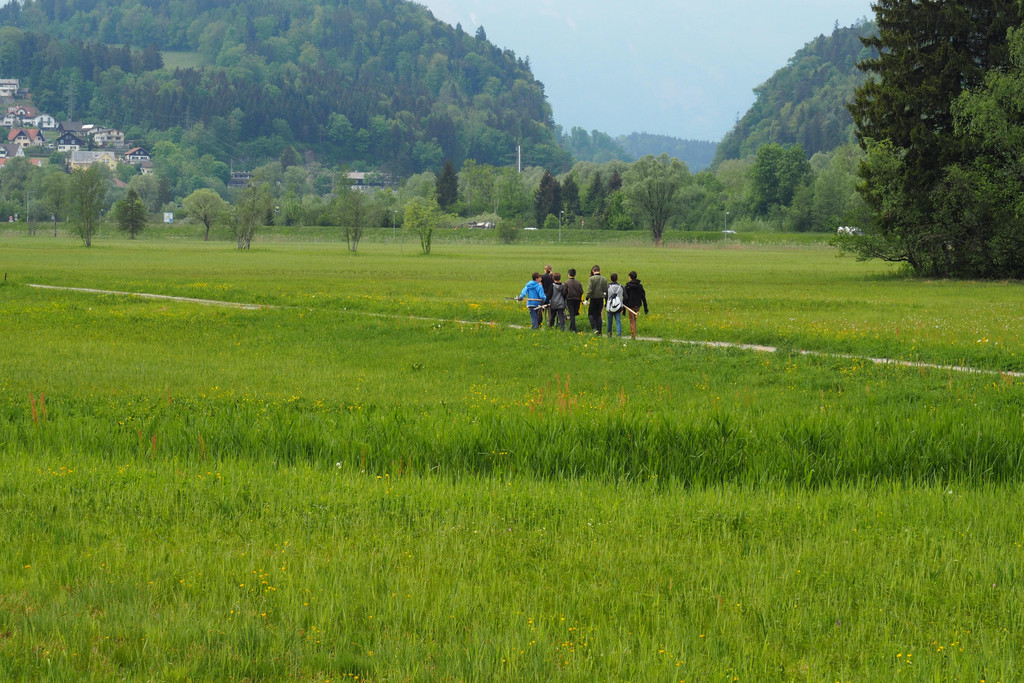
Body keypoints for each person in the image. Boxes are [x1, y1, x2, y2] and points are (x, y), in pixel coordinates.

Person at [623, 270, 649, 339]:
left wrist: (624, 309)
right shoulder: (640, 286)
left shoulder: (627, 286)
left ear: (630, 277)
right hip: (638, 305)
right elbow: (643, 297)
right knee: (635, 319)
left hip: (630, 306)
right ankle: (634, 334)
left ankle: (633, 336)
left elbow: (625, 298)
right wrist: (645, 307)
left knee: (632, 321)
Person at [585, 265, 608, 334]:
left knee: (590, 314)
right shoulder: (604, 279)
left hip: (593, 299)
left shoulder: (591, 279)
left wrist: (586, 299)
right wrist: (606, 300)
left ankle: (594, 328)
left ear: (593, 271)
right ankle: (599, 330)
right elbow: (605, 290)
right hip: (600, 299)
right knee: (598, 315)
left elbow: (590, 290)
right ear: (599, 270)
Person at [563, 268, 584, 332]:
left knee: (572, 314)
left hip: (569, 300)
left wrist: (564, 298)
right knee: (573, 314)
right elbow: (581, 292)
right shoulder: (578, 283)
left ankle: (574, 328)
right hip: (577, 300)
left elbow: (564, 292)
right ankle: (571, 327)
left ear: (569, 274)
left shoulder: (566, 283)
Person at [605, 272, 624, 337]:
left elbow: (606, 297)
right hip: (618, 307)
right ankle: (619, 335)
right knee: (618, 321)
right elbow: (626, 296)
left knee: (609, 322)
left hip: (609, 307)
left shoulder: (608, 287)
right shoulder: (621, 287)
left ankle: (609, 334)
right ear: (617, 279)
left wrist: (606, 304)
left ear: (610, 279)